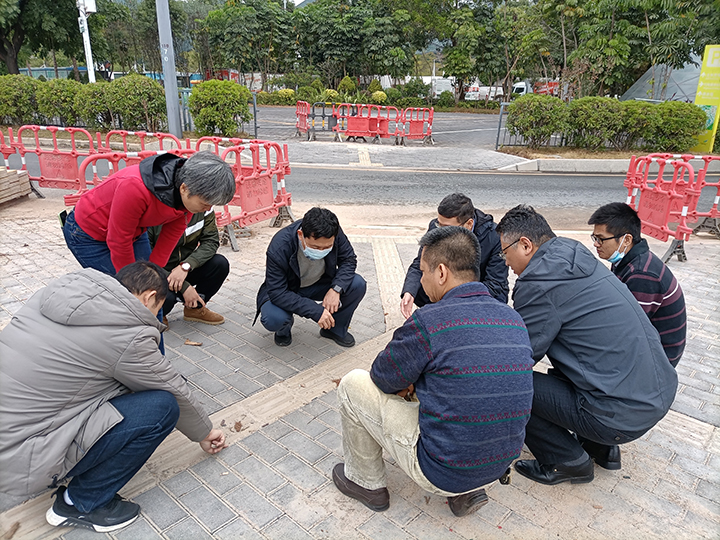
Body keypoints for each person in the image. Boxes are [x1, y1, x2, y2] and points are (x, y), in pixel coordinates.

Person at [0, 262, 227, 533]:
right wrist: (205, 432)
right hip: (21, 458)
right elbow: (172, 388)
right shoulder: (127, 332)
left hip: (12, 433)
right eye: (158, 311)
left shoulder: (60, 296)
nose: (156, 318)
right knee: (162, 407)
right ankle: (80, 503)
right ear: (150, 297)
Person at [333, 227, 534, 516]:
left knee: (353, 384)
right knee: (456, 382)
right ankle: (467, 490)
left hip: (442, 472)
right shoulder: (512, 318)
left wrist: (410, 382)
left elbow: (382, 376)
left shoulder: (430, 321)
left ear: (441, 273)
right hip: (498, 464)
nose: (421, 280)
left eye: (423, 271)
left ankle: (366, 483)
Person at [496, 205, 677, 484]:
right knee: (563, 369)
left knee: (510, 385)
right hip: (655, 396)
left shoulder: (539, 281)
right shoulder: (573, 255)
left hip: (618, 414)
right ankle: (601, 449)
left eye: (504, 253)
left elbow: (520, 357)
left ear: (525, 245)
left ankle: (567, 460)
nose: (505, 262)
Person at [63, 151, 236, 275]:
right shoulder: (134, 187)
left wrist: (154, 272)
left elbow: (173, 232)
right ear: (184, 188)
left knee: (153, 287)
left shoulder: (188, 196)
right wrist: (133, 281)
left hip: (134, 233)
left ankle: (154, 325)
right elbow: (119, 239)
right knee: (122, 291)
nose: (208, 209)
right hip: (87, 233)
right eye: (205, 204)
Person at [588, 202, 686, 366]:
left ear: (626, 239)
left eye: (601, 239)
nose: (596, 244)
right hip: (646, 343)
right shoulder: (626, 259)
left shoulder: (643, 275)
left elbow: (627, 331)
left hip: (657, 362)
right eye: (595, 238)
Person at [255, 207, 366, 348]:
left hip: (320, 283)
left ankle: (333, 329)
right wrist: (315, 311)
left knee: (357, 284)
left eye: (327, 247)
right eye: (316, 247)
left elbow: (349, 260)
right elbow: (277, 292)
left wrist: (336, 289)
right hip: (288, 290)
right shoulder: (280, 245)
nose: (322, 251)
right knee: (273, 318)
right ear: (300, 235)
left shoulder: (334, 232)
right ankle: (284, 328)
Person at [400, 193, 508, 319]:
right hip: (446, 282)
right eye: (439, 224)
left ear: (469, 224)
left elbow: (495, 283)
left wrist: (455, 303)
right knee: (420, 285)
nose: (441, 231)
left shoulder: (495, 237)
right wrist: (409, 291)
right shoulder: (436, 226)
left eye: (446, 227)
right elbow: (421, 263)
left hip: (480, 289)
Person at [148, 209, 229, 326]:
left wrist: (186, 266)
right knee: (167, 298)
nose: (208, 205)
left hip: (184, 269)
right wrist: (185, 288)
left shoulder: (204, 206)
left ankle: (194, 309)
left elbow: (211, 241)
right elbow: (146, 260)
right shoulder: (155, 211)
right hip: (158, 273)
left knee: (220, 264)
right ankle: (158, 314)